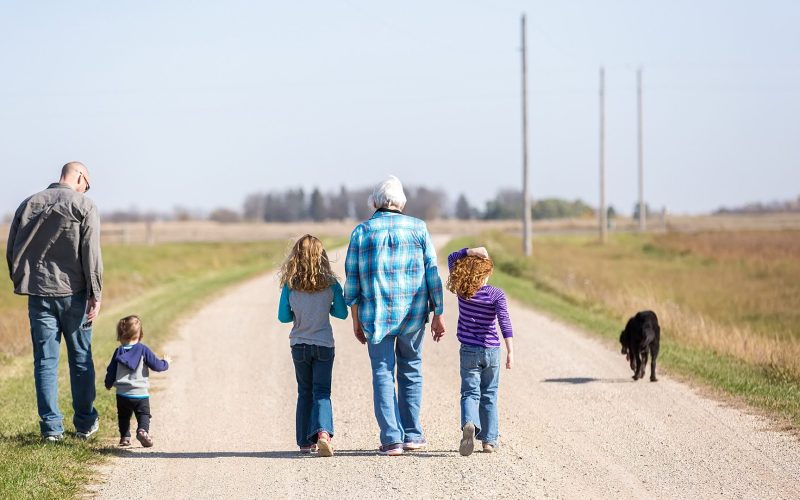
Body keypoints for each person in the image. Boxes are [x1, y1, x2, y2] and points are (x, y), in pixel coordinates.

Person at [344, 175, 445, 456]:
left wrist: (355, 320)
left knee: (382, 372)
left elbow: (351, 283)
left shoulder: (362, 232)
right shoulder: (418, 229)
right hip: (413, 316)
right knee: (411, 370)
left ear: (375, 201)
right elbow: (432, 274)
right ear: (401, 202)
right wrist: (439, 312)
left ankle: (391, 439)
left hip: (375, 316)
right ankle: (412, 434)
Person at [6, 162, 103, 441]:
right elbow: (91, 254)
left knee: (45, 362)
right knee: (81, 359)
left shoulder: (29, 204)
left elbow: (12, 249)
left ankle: (51, 429)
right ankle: (84, 423)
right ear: (80, 177)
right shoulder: (84, 205)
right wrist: (95, 294)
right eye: (88, 183)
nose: (86, 189)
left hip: (38, 295)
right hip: (75, 295)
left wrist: (22, 280)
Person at [278, 235, 347, 457]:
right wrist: (327, 307)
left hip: (299, 345)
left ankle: (304, 443)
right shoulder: (331, 284)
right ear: (322, 257)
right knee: (322, 392)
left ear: (295, 257)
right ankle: (324, 434)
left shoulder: (290, 285)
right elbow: (342, 313)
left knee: (304, 391)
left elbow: (283, 317)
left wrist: (300, 313)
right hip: (324, 345)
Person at [446, 246, 514, 456]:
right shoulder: (496, 294)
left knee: (469, 392)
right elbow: (504, 322)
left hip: (468, 351)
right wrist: (510, 351)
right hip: (492, 350)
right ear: (486, 273)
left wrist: (471, 251)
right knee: (490, 394)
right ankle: (489, 441)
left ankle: (469, 422)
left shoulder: (462, 291)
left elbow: (451, 257)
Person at [104, 315, 170, 447]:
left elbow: (111, 370)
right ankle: (142, 431)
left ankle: (125, 437)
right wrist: (166, 363)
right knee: (143, 414)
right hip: (140, 393)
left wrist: (108, 383)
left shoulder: (118, 352)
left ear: (120, 334)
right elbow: (156, 365)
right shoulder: (143, 350)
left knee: (123, 416)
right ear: (139, 334)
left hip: (122, 394)